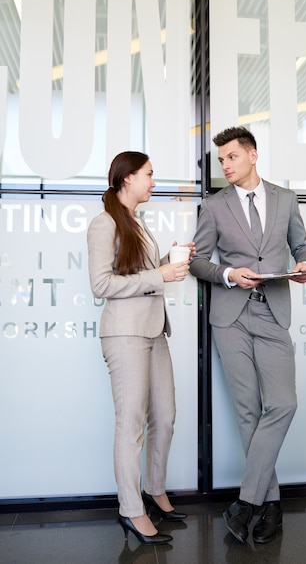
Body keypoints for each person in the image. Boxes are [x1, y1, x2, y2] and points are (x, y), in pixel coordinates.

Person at [190, 126, 306, 545]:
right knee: (248, 412)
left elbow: (304, 245)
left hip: (273, 310)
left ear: (253, 155)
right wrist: (227, 274)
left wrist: (304, 265)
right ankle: (271, 505)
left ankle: (246, 502)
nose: (225, 165)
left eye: (231, 157)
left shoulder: (286, 198)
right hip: (231, 317)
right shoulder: (214, 205)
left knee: (282, 404)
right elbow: (199, 262)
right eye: (221, 159)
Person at [87, 151, 194, 546]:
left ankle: (156, 491)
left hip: (153, 332)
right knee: (131, 424)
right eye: (149, 174)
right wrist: (159, 274)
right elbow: (101, 285)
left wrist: (171, 262)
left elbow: (141, 273)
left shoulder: (138, 223)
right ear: (127, 178)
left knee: (164, 416)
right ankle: (131, 510)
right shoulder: (104, 224)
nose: (154, 181)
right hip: (125, 334)